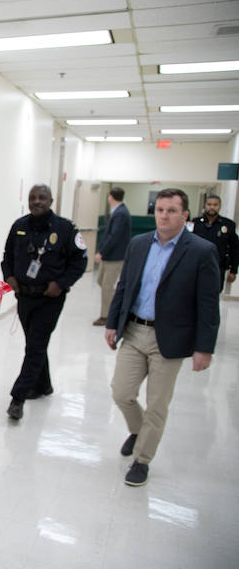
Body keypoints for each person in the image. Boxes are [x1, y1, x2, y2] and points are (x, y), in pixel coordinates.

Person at [105, 188, 220, 487]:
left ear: (185, 215)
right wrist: (112, 323)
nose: (164, 215)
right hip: (133, 330)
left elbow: (208, 305)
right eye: (160, 210)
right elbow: (125, 286)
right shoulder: (139, 244)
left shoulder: (201, 251)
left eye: (171, 211)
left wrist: (204, 348)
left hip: (169, 340)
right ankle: (137, 430)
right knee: (121, 392)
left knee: (156, 404)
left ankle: (142, 460)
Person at [1, 184, 87, 420]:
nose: (36, 201)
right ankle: (44, 385)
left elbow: (79, 262)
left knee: (36, 344)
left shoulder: (65, 228)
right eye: (33, 197)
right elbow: (7, 257)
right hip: (25, 297)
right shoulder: (19, 226)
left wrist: (61, 283)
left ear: (51, 200)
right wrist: (9, 277)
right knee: (35, 342)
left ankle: (17, 398)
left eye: (42, 197)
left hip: (50, 299)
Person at [93, 187, 131, 325]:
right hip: (109, 256)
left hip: (114, 257)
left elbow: (114, 236)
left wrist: (101, 252)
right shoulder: (118, 212)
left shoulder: (120, 214)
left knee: (107, 286)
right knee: (102, 282)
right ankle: (114, 309)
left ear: (110, 197)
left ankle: (107, 316)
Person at [190, 194, 238, 291]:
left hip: (218, 267)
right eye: (209, 204)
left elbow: (235, 248)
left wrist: (233, 270)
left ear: (220, 206)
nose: (212, 207)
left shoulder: (228, 225)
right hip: (196, 266)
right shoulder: (195, 223)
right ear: (205, 206)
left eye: (215, 205)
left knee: (213, 295)